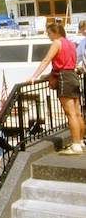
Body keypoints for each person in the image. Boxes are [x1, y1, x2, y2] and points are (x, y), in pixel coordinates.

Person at [28, 23, 86, 155]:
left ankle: (76, 145)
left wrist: (34, 76)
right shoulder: (71, 44)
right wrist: (49, 75)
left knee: (70, 113)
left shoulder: (57, 43)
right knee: (77, 113)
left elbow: (46, 60)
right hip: (72, 76)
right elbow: (66, 63)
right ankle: (80, 141)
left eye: (49, 33)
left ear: (55, 32)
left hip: (64, 79)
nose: (48, 36)